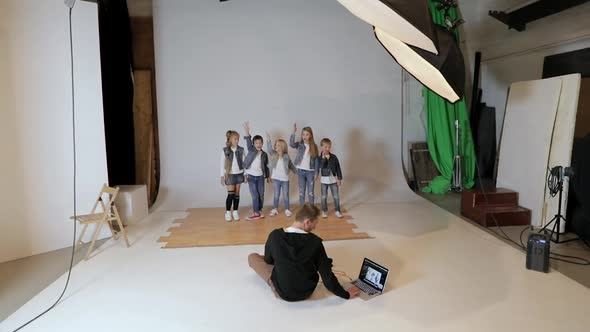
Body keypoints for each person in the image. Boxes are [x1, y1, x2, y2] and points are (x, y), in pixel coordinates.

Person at [248, 204, 360, 301]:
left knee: (253, 257)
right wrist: (345, 294)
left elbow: (268, 260)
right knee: (316, 260)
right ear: (307, 222)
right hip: (306, 291)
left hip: (282, 292)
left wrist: (280, 256)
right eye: (314, 223)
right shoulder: (316, 242)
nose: (315, 227)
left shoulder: (275, 236)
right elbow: (327, 277)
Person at [243, 122, 270, 221]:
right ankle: (255, 213)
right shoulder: (251, 150)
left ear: (262, 144)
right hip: (251, 176)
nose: (258, 145)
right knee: (254, 195)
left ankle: (259, 210)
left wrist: (267, 176)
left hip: (260, 177)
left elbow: (266, 166)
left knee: (261, 194)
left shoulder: (264, 154)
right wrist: (247, 132)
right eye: (256, 143)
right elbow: (248, 141)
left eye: (260, 143)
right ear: (254, 144)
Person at [266, 133, 297, 217]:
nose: (276, 146)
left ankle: (287, 209)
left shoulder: (286, 156)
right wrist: (268, 140)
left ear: (282, 147)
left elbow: (290, 165)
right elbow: (269, 149)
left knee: (285, 195)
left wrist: (296, 171)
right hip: (276, 179)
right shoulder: (274, 154)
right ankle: (275, 208)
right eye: (275, 145)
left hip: (285, 179)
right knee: (276, 194)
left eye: (278, 145)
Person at [289, 123, 320, 206]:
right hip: (301, 171)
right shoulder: (299, 145)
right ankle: (302, 208)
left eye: (307, 134)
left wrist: (316, 173)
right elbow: (291, 144)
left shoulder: (314, 146)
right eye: (303, 134)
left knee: (310, 192)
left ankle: (312, 208)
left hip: (310, 172)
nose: (304, 136)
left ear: (310, 135)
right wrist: (293, 132)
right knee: (301, 192)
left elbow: (317, 160)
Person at [220, 130, 245, 221]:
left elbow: (244, 163)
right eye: (235, 139)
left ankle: (235, 211)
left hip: (239, 174)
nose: (237, 141)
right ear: (230, 139)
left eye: (238, 139)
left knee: (237, 193)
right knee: (230, 194)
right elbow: (222, 163)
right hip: (229, 174)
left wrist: (245, 174)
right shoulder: (225, 150)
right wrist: (222, 176)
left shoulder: (241, 150)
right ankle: (228, 212)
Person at [319, 138, 343, 218]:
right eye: (325, 147)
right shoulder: (320, 158)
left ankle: (337, 210)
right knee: (324, 196)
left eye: (329, 147)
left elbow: (338, 168)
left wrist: (339, 178)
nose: (327, 149)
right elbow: (321, 166)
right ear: (322, 147)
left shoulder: (334, 157)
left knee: (336, 196)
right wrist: (323, 158)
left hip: (333, 180)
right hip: (324, 180)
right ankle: (324, 211)